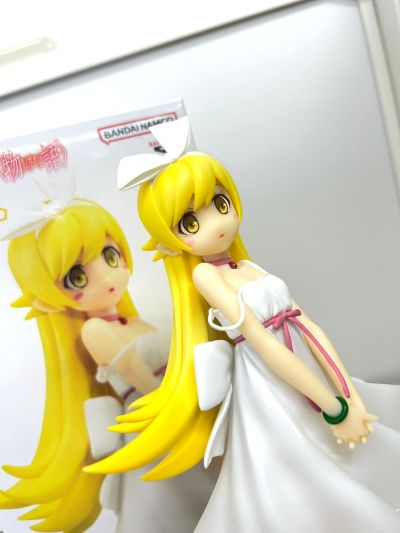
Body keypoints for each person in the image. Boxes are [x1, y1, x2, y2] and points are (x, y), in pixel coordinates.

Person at [87, 117, 400, 532]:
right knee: (296, 466)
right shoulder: (205, 276)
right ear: (170, 240)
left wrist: (347, 393)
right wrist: (333, 407)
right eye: (190, 223)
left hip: (306, 369)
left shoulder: (248, 266)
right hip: (270, 384)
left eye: (220, 204)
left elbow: (308, 326)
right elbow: (263, 344)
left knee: (354, 448)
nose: (218, 223)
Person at [0, 175, 215, 532]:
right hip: (155, 420)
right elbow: (136, 372)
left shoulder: (136, 322)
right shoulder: (95, 330)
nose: (106, 275)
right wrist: (174, 407)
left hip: (175, 410)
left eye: (110, 255)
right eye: (77, 277)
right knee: (174, 509)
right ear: (47, 299)